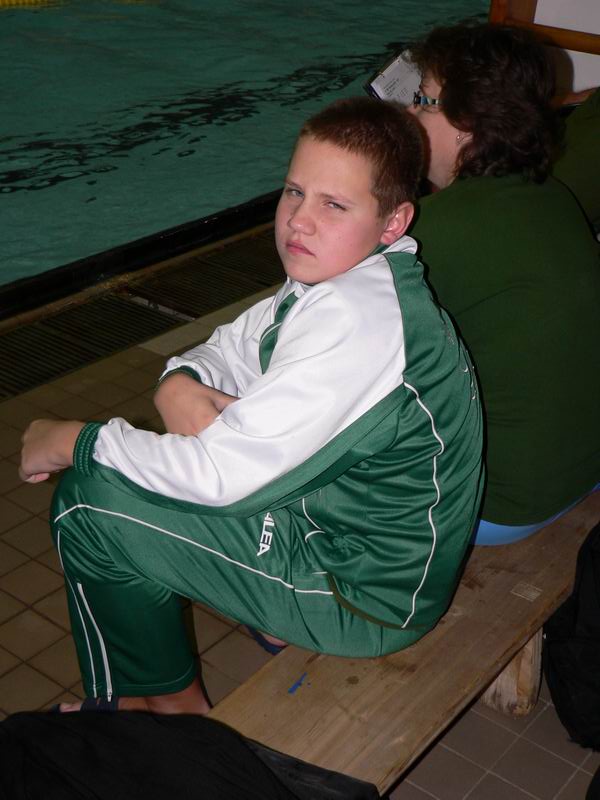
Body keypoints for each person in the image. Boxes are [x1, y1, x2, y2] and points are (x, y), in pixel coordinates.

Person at [19, 97, 483, 715]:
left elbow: (221, 482)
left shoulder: (359, 319)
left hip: (366, 599)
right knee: (132, 478)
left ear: (393, 221)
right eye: (294, 192)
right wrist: (178, 383)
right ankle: (146, 696)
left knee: (90, 502)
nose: (299, 221)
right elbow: (232, 346)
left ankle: (171, 714)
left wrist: (74, 438)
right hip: (338, 531)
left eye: (334, 205)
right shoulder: (344, 279)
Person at [406, 23, 600, 546]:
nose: (410, 113)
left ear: (467, 123)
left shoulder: (431, 232)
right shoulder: (551, 195)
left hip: (501, 504)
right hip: (582, 468)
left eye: (423, 100)